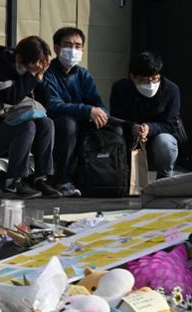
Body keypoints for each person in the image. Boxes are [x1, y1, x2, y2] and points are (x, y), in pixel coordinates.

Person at [0, 36, 61, 199]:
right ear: (20, 58)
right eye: (34, 66)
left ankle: (41, 179)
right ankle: (12, 184)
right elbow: (11, 96)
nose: (37, 69)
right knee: (27, 126)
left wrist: (40, 79)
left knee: (46, 123)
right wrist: (31, 76)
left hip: (9, 132)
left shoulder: (31, 73)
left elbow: (46, 105)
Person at [41, 26, 120, 197]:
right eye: (68, 45)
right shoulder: (48, 73)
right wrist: (87, 110)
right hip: (56, 124)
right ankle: (61, 179)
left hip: (81, 121)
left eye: (77, 46)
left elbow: (96, 102)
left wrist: (100, 113)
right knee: (67, 124)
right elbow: (53, 106)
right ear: (56, 48)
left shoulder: (83, 75)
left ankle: (106, 179)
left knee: (114, 129)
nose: (73, 50)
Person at [110, 51, 181, 179]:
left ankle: (164, 178)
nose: (150, 85)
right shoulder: (120, 88)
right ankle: (121, 175)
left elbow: (170, 125)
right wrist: (132, 127)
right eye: (143, 80)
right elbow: (116, 119)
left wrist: (149, 128)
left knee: (165, 142)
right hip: (129, 137)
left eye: (155, 79)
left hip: (156, 139)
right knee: (116, 134)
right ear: (132, 77)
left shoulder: (171, 90)